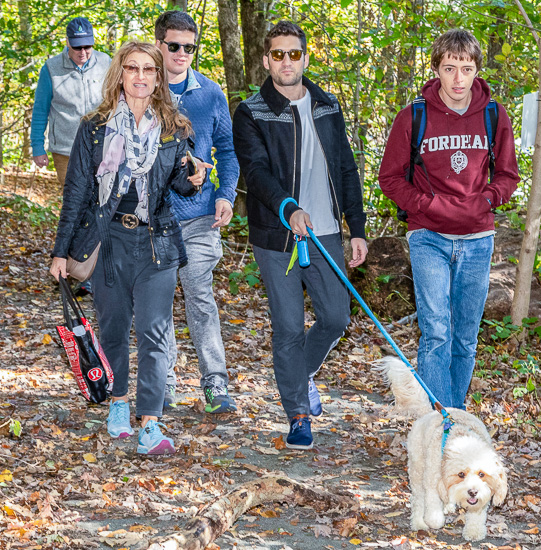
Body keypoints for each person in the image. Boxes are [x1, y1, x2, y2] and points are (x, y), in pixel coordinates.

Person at [49, 41, 207, 455]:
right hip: (109, 239)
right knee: (115, 329)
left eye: (149, 70)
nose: (140, 76)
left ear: (158, 77)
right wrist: (60, 252)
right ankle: (118, 403)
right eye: (132, 68)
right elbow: (77, 192)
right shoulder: (94, 127)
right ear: (120, 73)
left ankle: (150, 423)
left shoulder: (175, 128)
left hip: (157, 244)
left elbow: (176, 183)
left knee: (155, 333)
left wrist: (195, 179)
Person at [232, 21, 368, 450]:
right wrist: (288, 207)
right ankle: (297, 414)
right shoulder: (252, 112)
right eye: (278, 55)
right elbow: (255, 172)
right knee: (289, 326)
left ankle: (301, 372)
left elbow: (346, 168)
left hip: (324, 231)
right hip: (277, 235)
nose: (286, 62)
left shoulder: (327, 106)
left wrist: (357, 228)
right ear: (267, 59)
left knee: (335, 317)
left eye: (294, 54)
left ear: (305, 57)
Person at [378, 29, 519, 410]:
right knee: (436, 331)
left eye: (467, 68)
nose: (459, 79)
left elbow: (508, 175)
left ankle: (453, 415)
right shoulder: (414, 116)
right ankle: (441, 422)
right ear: (437, 69)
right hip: (428, 236)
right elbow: (389, 178)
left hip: (477, 238)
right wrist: (427, 203)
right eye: (450, 68)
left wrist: (486, 199)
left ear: (477, 70)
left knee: (466, 336)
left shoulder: (493, 114)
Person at [154, 11, 240, 415]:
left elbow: (228, 148)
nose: (182, 54)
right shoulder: (142, 88)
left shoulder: (210, 93)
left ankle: (216, 385)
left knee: (199, 293)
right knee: (158, 300)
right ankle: (163, 383)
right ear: (160, 45)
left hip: (199, 216)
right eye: (174, 46)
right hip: (152, 216)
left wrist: (225, 193)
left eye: (190, 47)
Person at [31, 16, 110, 188]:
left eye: (87, 46)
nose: (82, 52)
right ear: (67, 42)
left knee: (101, 201)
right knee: (73, 204)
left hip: (102, 148)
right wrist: (37, 146)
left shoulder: (106, 62)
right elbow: (40, 110)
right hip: (66, 151)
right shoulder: (51, 69)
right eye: (77, 47)